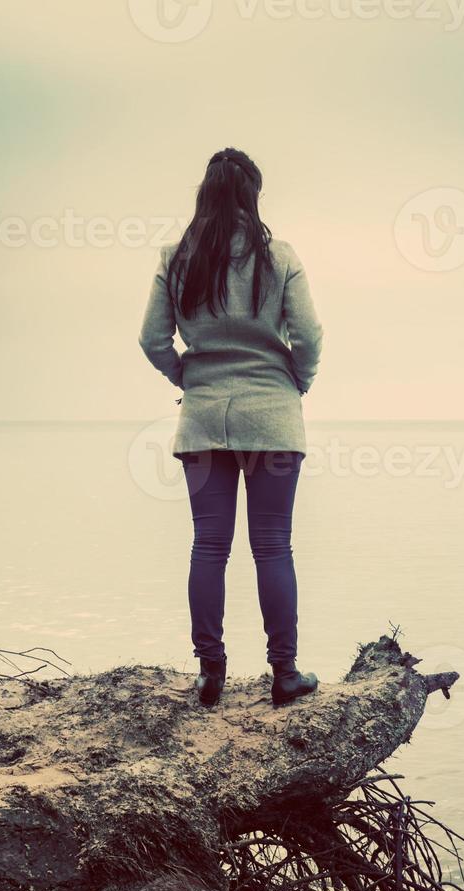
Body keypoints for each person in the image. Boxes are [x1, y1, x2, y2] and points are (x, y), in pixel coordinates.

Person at [139, 147, 323, 709]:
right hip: (271, 418)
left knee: (208, 547)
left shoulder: (176, 258)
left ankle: (210, 674)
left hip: (203, 422)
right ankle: (284, 674)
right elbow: (310, 337)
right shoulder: (280, 257)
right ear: (252, 196)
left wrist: (189, 379)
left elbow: (152, 340)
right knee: (273, 547)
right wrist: (298, 382)